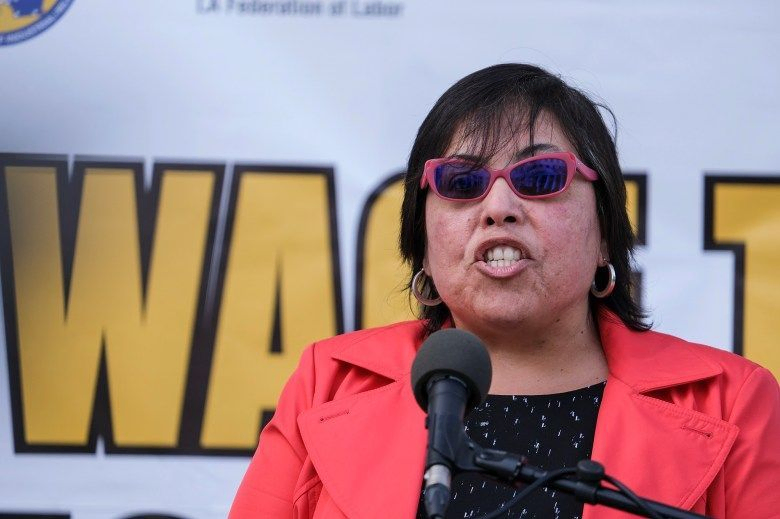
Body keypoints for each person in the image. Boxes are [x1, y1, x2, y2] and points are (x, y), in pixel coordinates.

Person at [229, 64, 780, 518]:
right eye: (462, 183)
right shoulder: (328, 384)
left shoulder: (732, 402)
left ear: (605, 234)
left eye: (539, 178)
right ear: (422, 245)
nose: (498, 208)